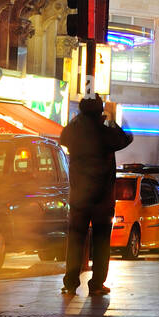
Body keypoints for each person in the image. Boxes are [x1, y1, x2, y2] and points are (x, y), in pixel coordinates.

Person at [59, 97, 133, 297]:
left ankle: (70, 283)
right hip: (102, 198)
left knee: (75, 241)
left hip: (79, 197)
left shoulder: (74, 131)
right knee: (101, 243)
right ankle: (97, 283)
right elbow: (126, 138)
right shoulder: (105, 132)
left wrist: (77, 119)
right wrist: (110, 119)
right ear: (99, 111)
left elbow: (62, 137)